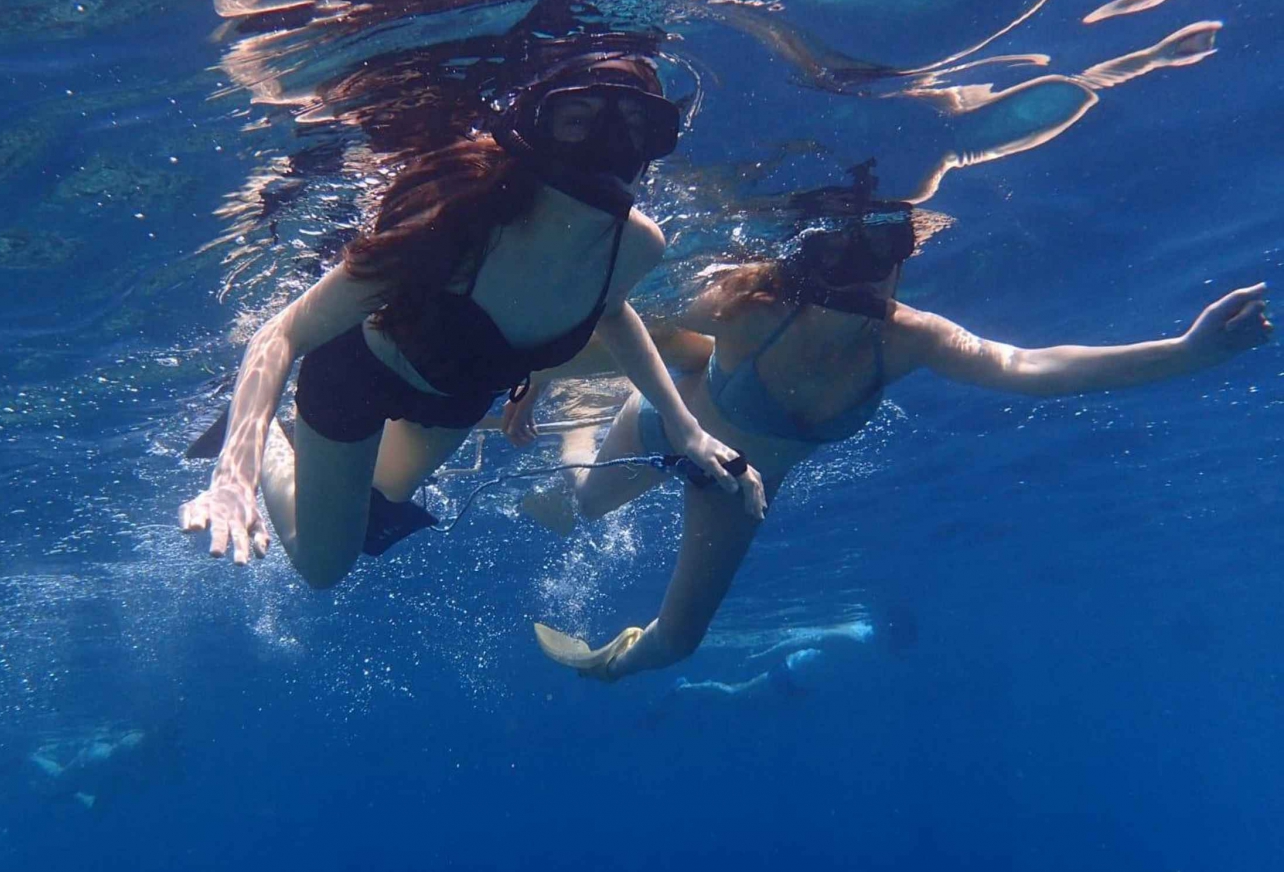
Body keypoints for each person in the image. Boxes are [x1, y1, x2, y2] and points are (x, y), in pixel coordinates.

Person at [510, 163, 1272, 680]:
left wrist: (1188, 351)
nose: (867, 270)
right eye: (847, 251)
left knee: (676, 645)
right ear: (810, 255)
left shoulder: (912, 338)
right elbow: (607, 316)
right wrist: (533, 378)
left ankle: (599, 668)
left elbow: (1032, 368)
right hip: (666, 421)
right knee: (574, 505)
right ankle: (575, 445)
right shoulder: (746, 304)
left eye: (886, 248)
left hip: (738, 487)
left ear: (904, 256)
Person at [180, 53, 765, 588]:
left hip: (458, 398)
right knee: (324, 565)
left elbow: (612, 311)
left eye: (635, 125)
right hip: (356, 378)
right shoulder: (455, 222)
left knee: (379, 502)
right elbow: (280, 332)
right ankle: (267, 438)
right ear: (535, 127)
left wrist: (685, 427)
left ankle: (291, 437)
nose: (609, 145)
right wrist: (234, 475)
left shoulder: (636, 246)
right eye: (578, 119)